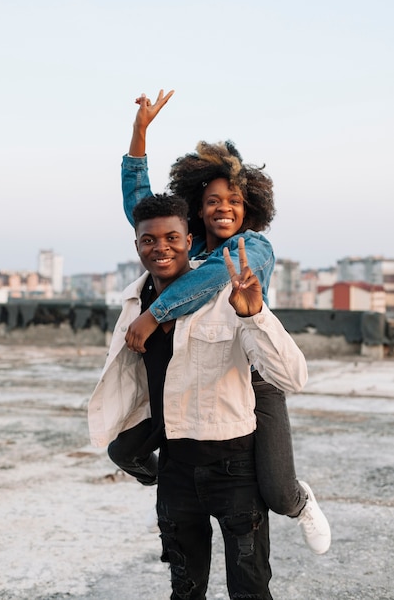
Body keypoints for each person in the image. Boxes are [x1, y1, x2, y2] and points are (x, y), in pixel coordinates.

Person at [112, 89, 331, 557]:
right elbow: (142, 210)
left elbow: (212, 279)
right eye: (212, 200)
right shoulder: (186, 248)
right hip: (192, 376)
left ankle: (301, 500)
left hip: (251, 375)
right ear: (197, 208)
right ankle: (169, 483)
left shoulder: (254, 249)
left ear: (249, 207)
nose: (223, 207)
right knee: (124, 449)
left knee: (275, 492)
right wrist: (139, 134)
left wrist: (154, 315)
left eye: (233, 199)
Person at [88, 193, 309, 599]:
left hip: (235, 468)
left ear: (190, 240)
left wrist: (254, 314)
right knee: (185, 590)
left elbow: (292, 377)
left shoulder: (229, 296)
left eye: (172, 237)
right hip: (176, 469)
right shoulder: (134, 304)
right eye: (149, 240)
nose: (161, 248)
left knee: (250, 590)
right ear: (136, 247)